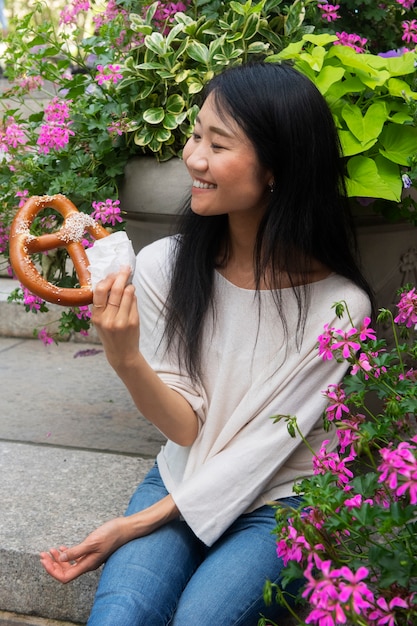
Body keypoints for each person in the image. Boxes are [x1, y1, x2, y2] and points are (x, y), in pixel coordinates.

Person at [40, 62, 373, 625]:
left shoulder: (339, 306)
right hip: (182, 471)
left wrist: (136, 523)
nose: (194, 159)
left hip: (281, 500)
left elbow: (259, 456)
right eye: (196, 135)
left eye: (218, 144)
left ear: (276, 168)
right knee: (119, 617)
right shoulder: (164, 265)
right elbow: (187, 429)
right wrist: (124, 357)